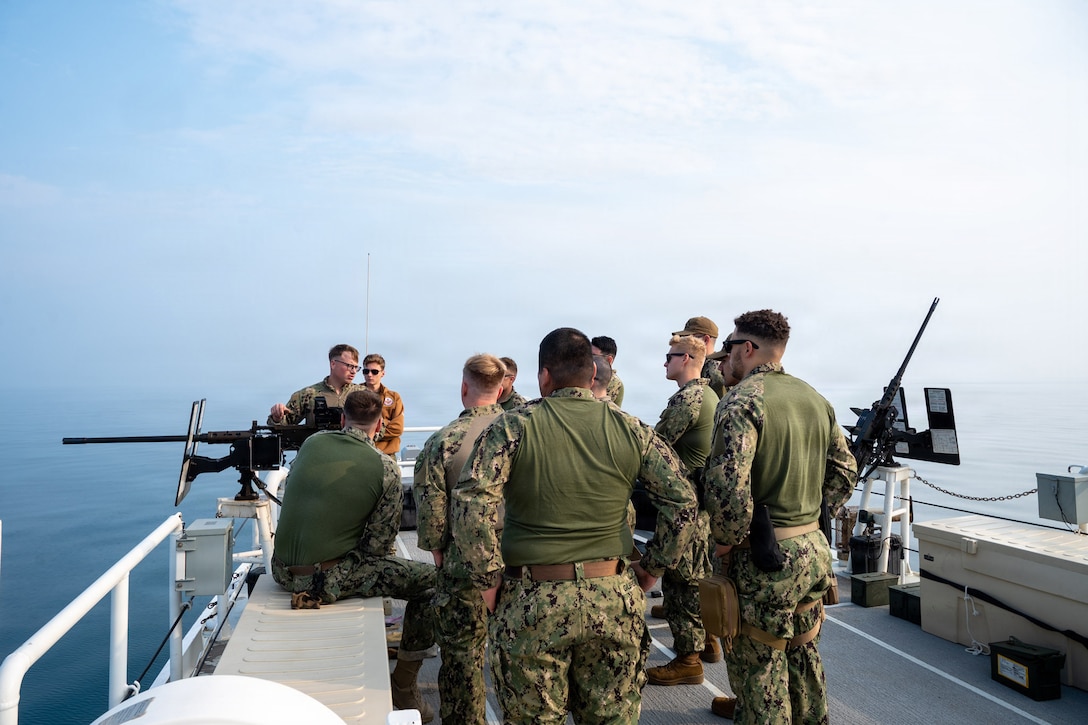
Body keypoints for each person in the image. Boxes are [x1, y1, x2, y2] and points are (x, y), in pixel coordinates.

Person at [451, 327, 699, 724]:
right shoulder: (631, 428)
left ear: (544, 375)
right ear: (592, 372)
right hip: (613, 596)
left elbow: (471, 501)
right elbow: (682, 501)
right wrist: (653, 568)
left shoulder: (513, 426)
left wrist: (487, 579)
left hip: (532, 600)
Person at [703, 310, 857, 724]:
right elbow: (845, 472)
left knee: (760, 668)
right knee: (804, 653)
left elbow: (728, 485)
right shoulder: (814, 398)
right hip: (813, 551)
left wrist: (726, 540)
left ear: (747, 349)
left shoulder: (742, 401)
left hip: (764, 558)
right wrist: (810, 516)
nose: (725, 359)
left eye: (729, 349)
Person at [270, 389, 438, 721]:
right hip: (323, 580)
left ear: (343, 418)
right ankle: (404, 684)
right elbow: (377, 548)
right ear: (379, 425)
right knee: (433, 582)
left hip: (280, 569)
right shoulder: (385, 468)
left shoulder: (312, 444)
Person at [414, 354, 507, 724]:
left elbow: (432, 515)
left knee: (462, 657)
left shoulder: (443, 441)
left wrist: (441, 554)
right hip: (522, 556)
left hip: (463, 561)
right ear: (501, 389)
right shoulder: (527, 431)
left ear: (464, 387)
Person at [645, 334, 721, 686]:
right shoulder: (709, 395)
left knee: (682, 584)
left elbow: (654, 446)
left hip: (684, 507)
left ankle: (689, 660)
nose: (665, 362)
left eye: (670, 356)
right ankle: (707, 642)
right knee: (694, 578)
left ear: (687, 358)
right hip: (699, 506)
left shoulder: (688, 399)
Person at [268, 344, 363, 426]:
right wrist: (277, 417)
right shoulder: (308, 395)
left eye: (356, 367)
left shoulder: (362, 395)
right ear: (333, 364)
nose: (354, 371)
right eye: (350, 366)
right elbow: (284, 425)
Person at [359, 353, 405, 457]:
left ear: (382, 374)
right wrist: (385, 423)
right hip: (361, 452)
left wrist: (369, 433)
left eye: (374, 372)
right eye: (366, 371)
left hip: (386, 454)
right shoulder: (354, 394)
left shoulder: (394, 397)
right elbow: (351, 423)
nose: (369, 375)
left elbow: (397, 428)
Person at [674, 316, 728, 399]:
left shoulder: (714, 370)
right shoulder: (704, 365)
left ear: (706, 340)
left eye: (690, 338)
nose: (685, 342)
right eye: (684, 338)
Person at [590, 335, 624, 406]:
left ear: (609, 360)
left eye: (593, 356)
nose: (588, 359)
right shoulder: (581, 373)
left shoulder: (616, 384)